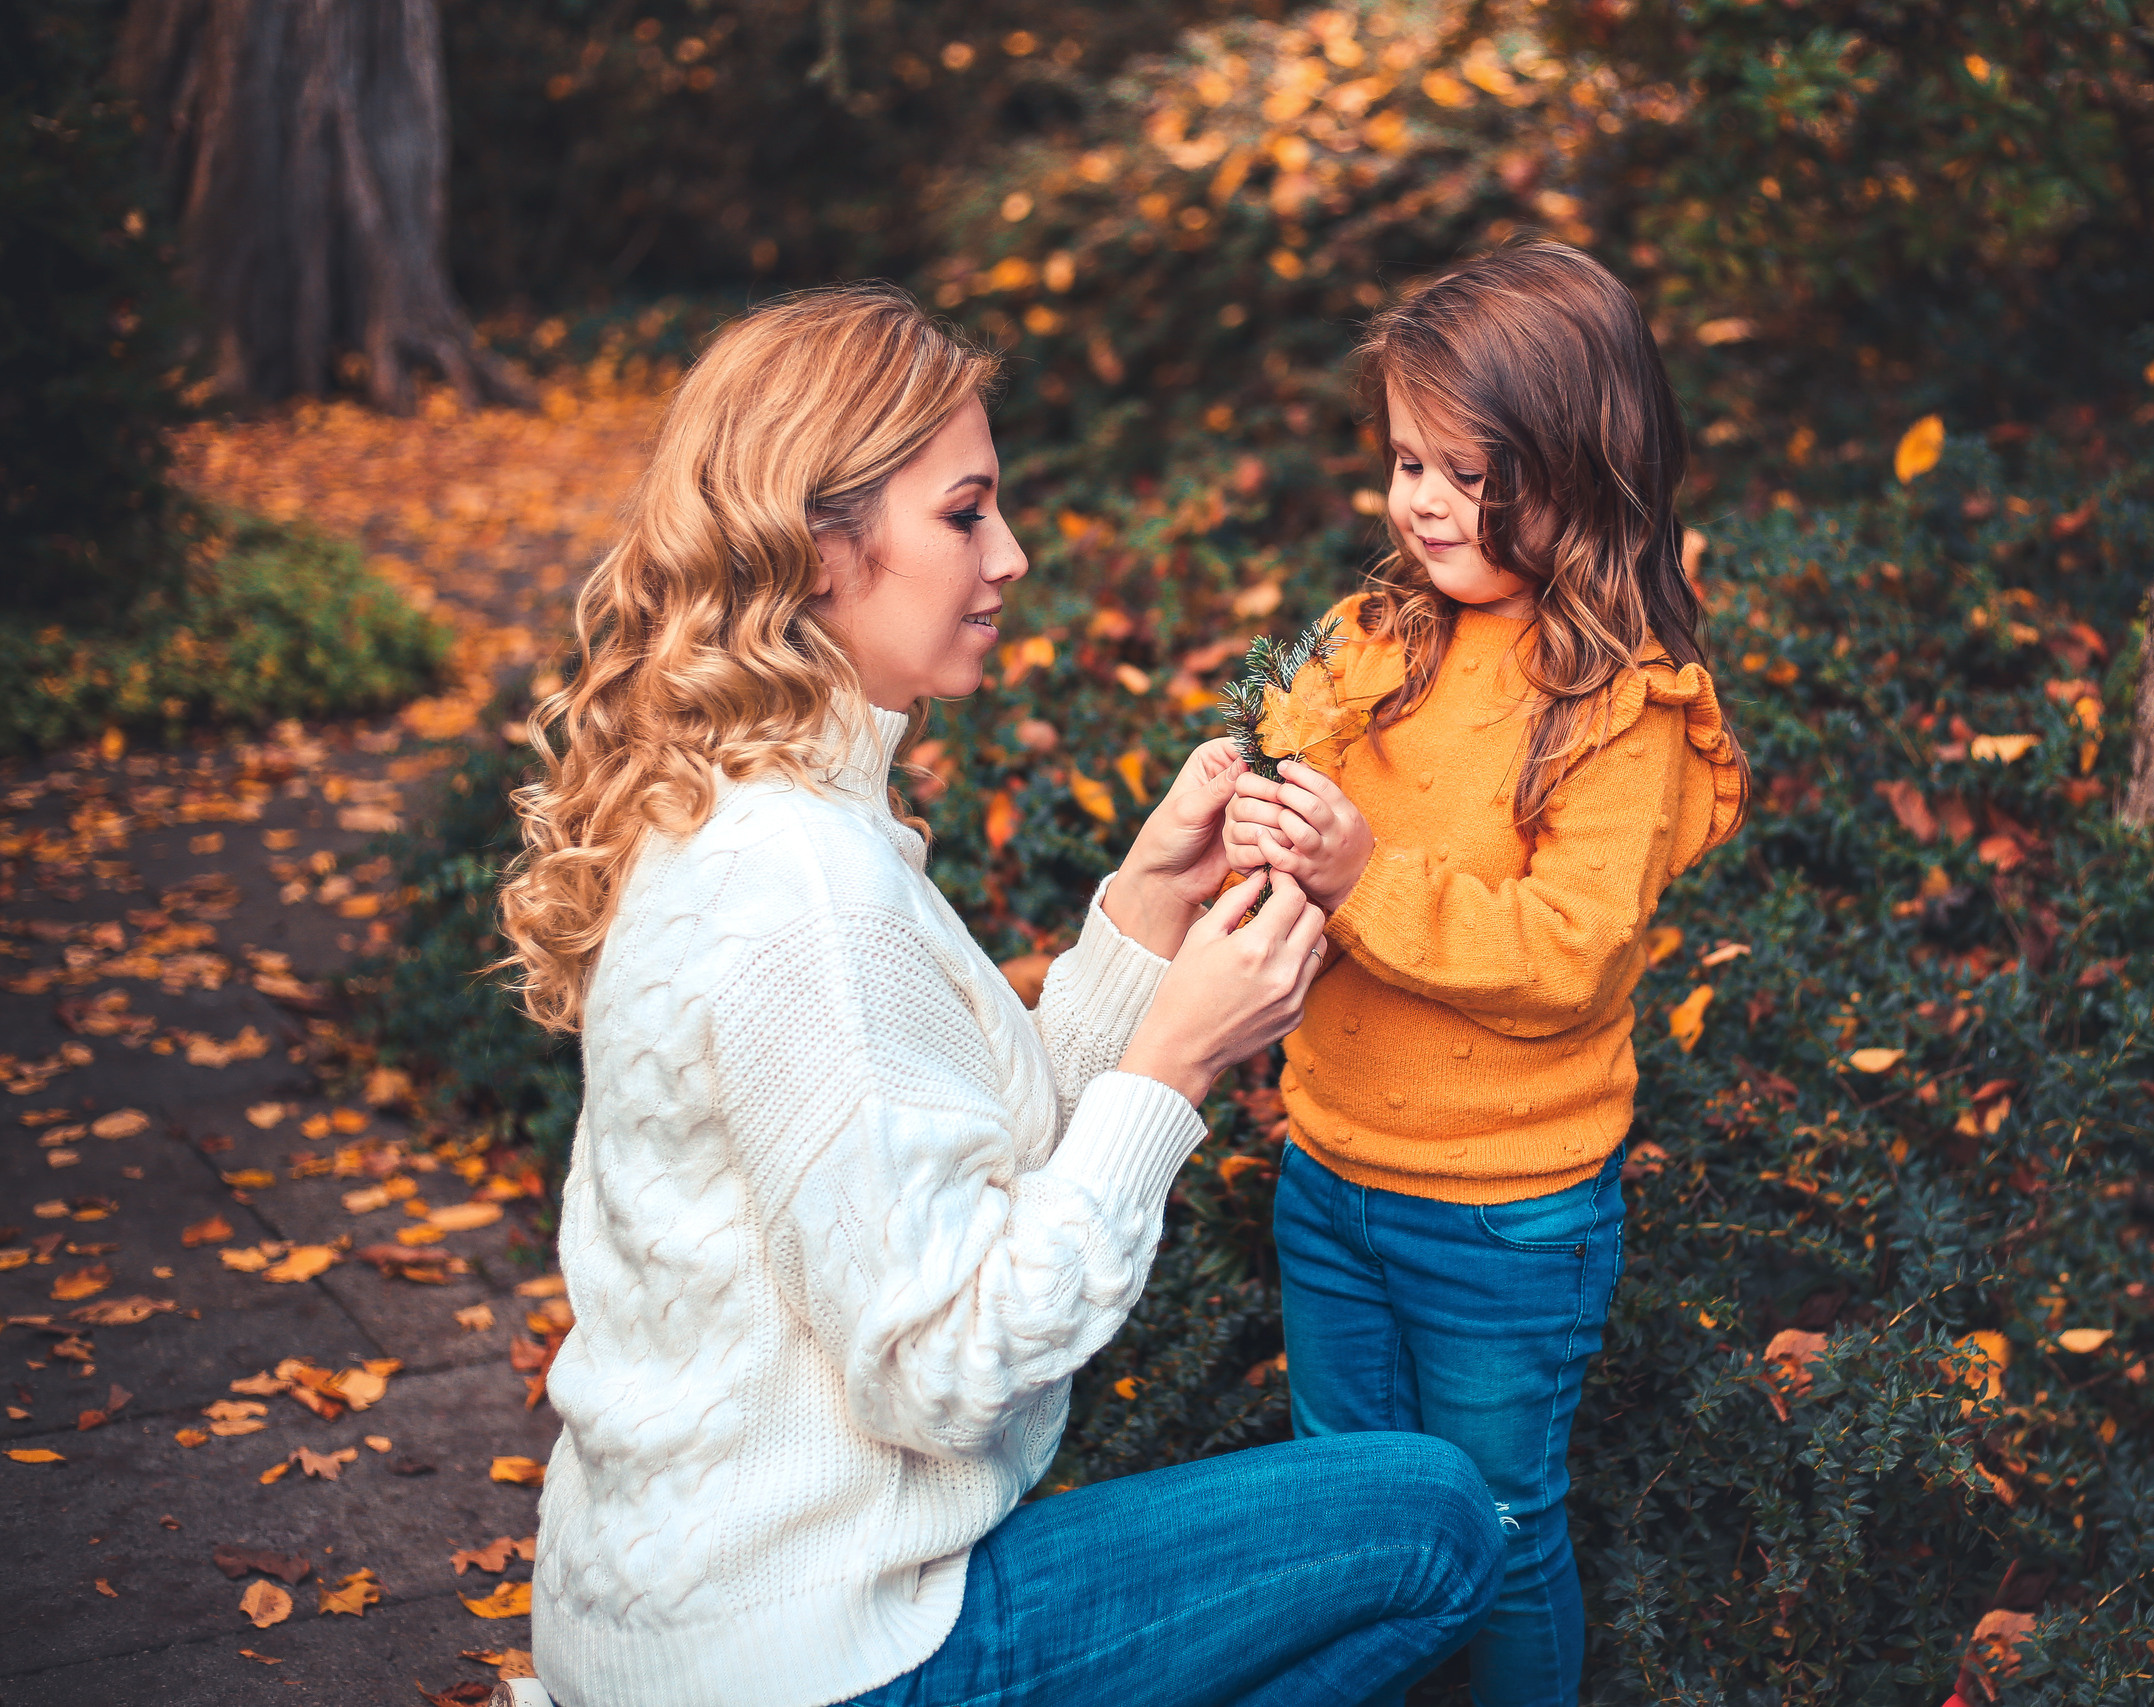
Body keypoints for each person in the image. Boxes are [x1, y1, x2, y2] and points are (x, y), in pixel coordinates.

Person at [497, 284, 1501, 1707]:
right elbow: (948, 1363)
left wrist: (1148, 908)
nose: (1010, 556)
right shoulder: (808, 896)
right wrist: (1175, 1065)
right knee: (1435, 1524)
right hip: (815, 1655)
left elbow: (945, 1156)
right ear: (820, 543)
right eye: (966, 514)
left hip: (680, 1619)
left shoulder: (746, 807)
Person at [1222, 241, 1750, 1705]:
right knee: (1350, 1521)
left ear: (1585, 469)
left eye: (1470, 471)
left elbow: (1567, 958)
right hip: (1331, 1176)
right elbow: (1298, 802)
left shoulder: (1618, 710)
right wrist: (1258, 823)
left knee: (1502, 1522)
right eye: (1406, 460)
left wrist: (1359, 875)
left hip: (1506, 1220)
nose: (1423, 501)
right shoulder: (1377, 640)